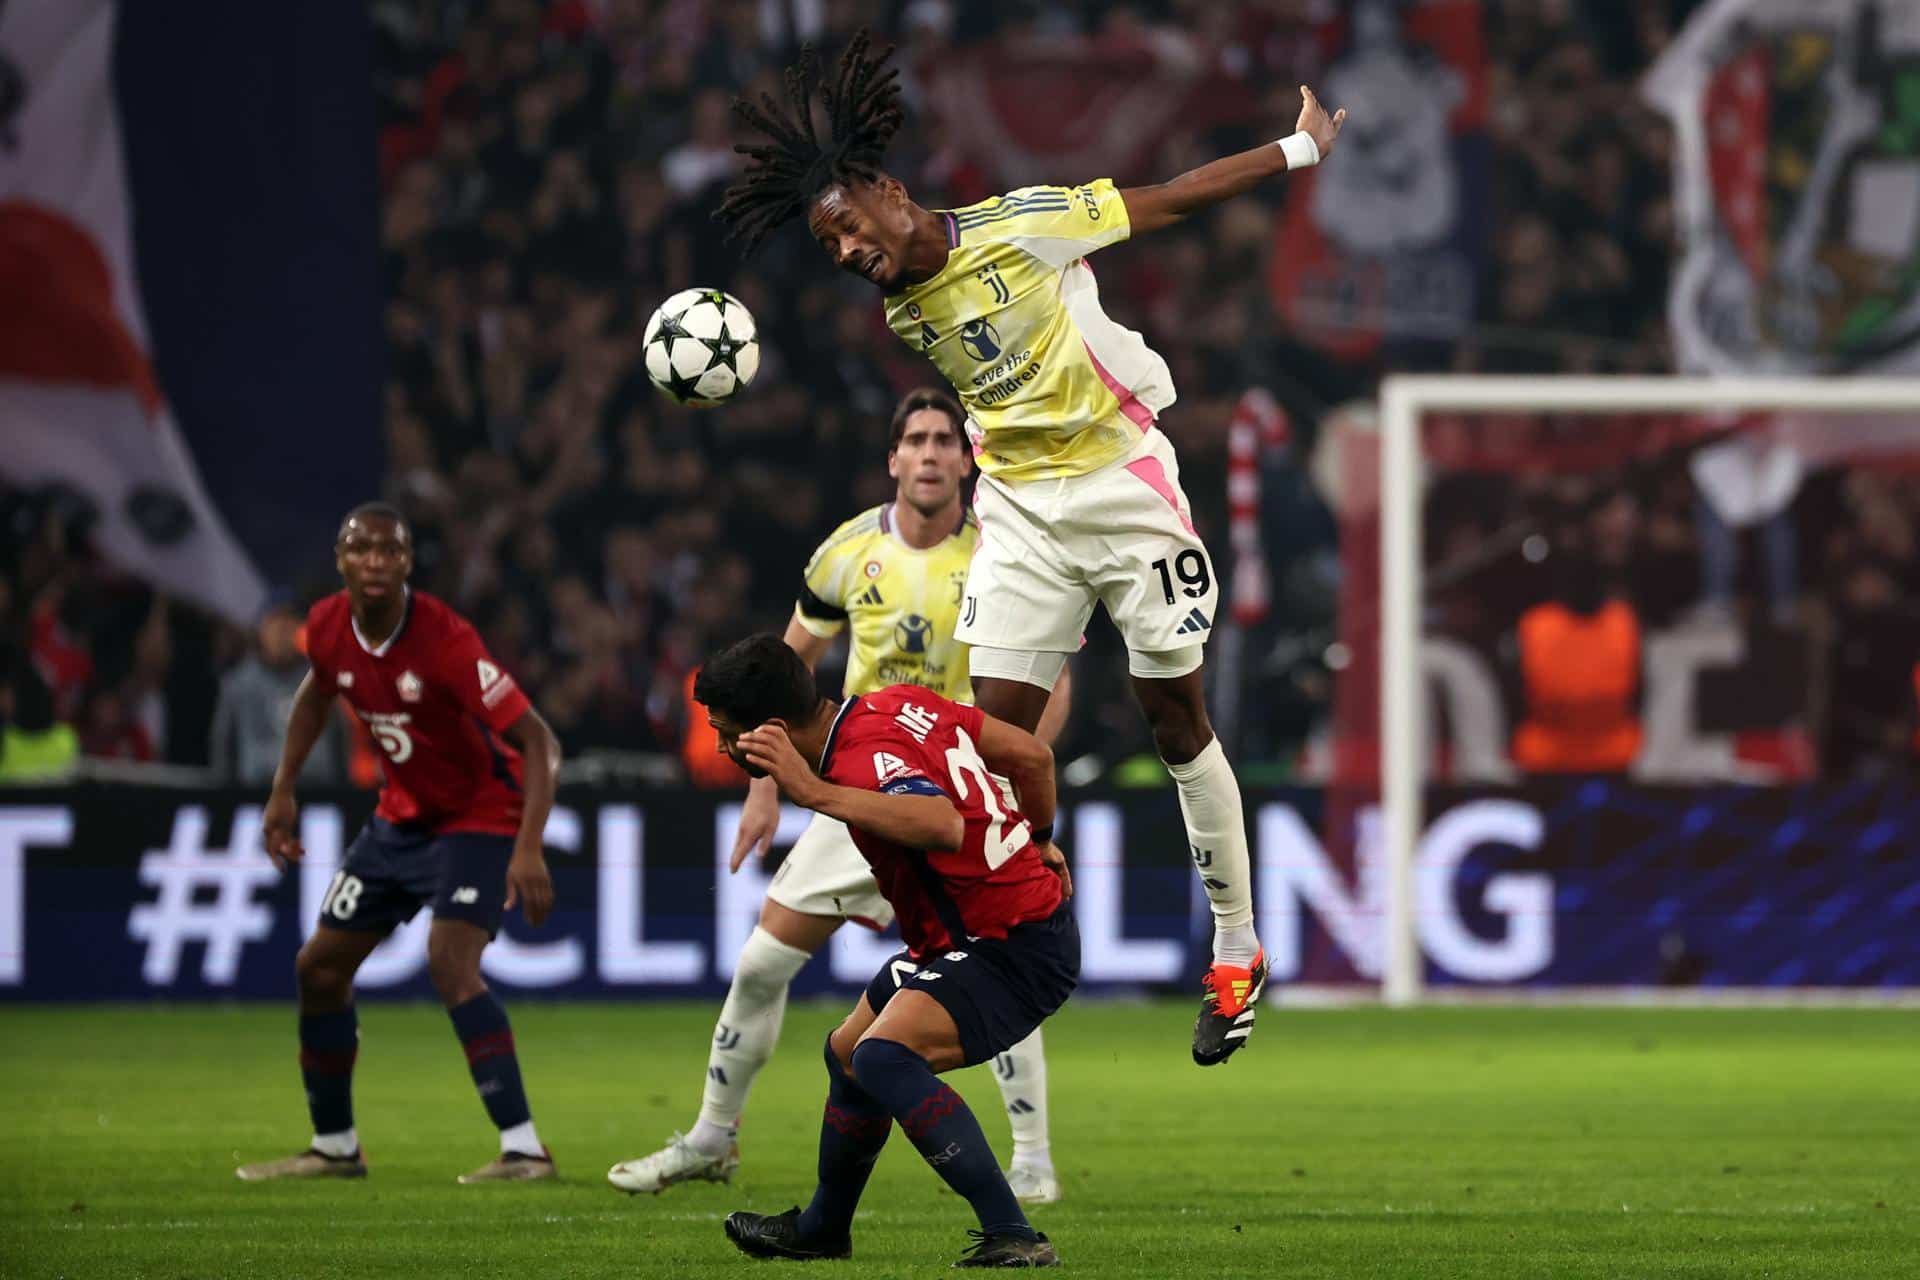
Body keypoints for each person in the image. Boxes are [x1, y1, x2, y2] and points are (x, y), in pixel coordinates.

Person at [716, 31, 1347, 1064]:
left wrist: (1299, 150)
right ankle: (974, 935)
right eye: (827, 249)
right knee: (983, 744)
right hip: (1021, 513)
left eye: (843, 228)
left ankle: (1236, 945)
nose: (843, 254)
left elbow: (1171, 196)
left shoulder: (1023, 225)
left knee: (1172, 711)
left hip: (1125, 487)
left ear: (883, 188)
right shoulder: (903, 305)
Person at [609, 388, 1071, 1203]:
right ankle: (712, 1138)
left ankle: (1031, 1158)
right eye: (915, 440)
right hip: (847, 785)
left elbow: (1050, 682)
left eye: (943, 440)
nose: (929, 454)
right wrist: (766, 788)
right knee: (760, 963)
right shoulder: (846, 553)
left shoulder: (1004, 554)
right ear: (893, 458)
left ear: (966, 460)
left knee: (984, 958)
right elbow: (783, 668)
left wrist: (1004, 790)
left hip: (948, 799)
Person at [695, 633, 1075, 1268]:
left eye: (730, 733)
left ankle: (1014, 1232)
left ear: (774, 730)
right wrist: (1040, 839)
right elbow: (1033, 756)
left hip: (1011, 943)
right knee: (847, 1054)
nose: (721, 748)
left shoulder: (856, 760)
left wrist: (814, 796)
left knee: (883, 1058)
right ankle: (823, 1228)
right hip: (978, 933)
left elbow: (941, 825)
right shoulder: (893, 703)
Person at [235, 503, 563, 1184]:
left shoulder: (445, 640)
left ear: (409, 563)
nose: (376, 563)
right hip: (397, 821)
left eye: (391, 551)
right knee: (318, 969)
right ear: (340, 560)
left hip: (477, 816)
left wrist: (528, 847)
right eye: (363, 550)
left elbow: (538, 740)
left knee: (449, 961)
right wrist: (283, 788)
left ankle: (525, 1149)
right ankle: (334, 1147)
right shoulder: (326, 625)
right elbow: (315, 694)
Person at [211, 595, 346, 785]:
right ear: (261, 630)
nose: (281, 631)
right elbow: (223, 752)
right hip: (255, 796)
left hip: (316, 793)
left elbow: (340, 745)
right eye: (274, 622)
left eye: (288, 622)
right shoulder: (238, 685)